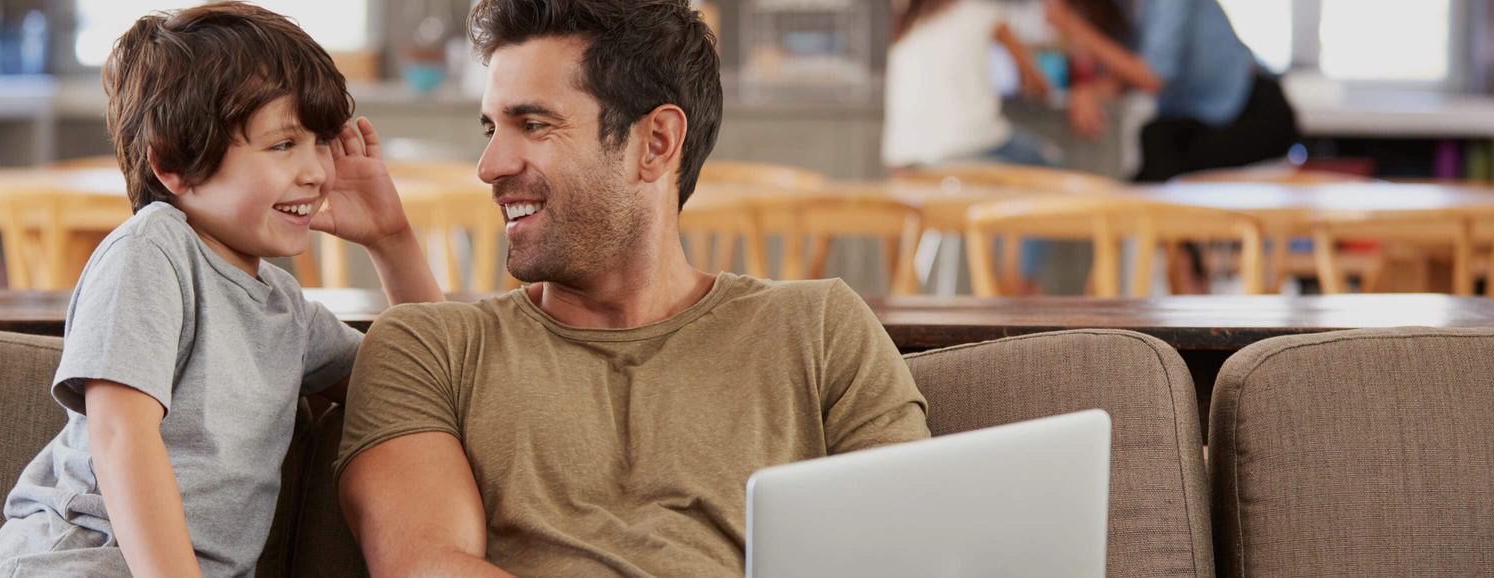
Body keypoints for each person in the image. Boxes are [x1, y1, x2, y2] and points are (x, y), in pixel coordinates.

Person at [334, 0, 931, 575]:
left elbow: (909, 553)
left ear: (656, 144)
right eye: (492, 127)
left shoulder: (820, 328)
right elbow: (424, 566)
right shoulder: (427, 346)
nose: (489, 165)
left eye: (533, 124)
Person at [0, 3, 443, 576]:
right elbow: (121, 432)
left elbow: (423, 383)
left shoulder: (286, 310)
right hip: (79, 562)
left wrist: (391, 240)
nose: (318, 171)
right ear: (174, 162)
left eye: (320, 141)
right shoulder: (152, 252)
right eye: (283, 144)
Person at [1047, 0, 1300, 182]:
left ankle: (1174, 254)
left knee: (1154, 154)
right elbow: (1128, 75)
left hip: (1252, 111)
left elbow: (1152, 76)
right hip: (1201, 119)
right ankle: (1175, 254)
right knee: (1150, 152)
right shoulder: (1126, 8)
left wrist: (1074, 27)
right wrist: (1088, 92)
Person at [884, 0, 1056, 169]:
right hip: (973, 146)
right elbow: (1036, 83)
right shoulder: (982, 10)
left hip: (904, 159)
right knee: (1053, 164)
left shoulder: (907, 24)